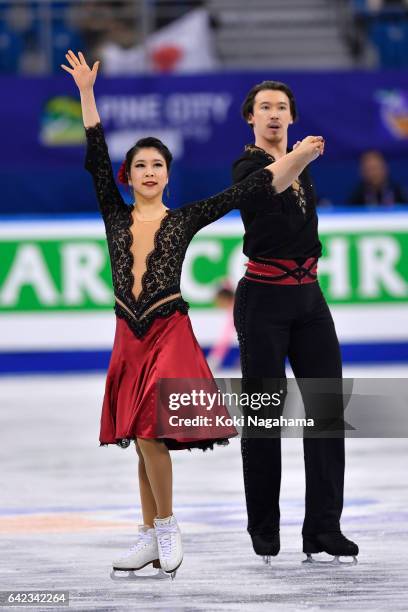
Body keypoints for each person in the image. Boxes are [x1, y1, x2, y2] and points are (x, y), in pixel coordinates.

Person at [61, 52, 324, 578]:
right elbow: (95, 151)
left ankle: (167, 527)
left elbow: (244, 191)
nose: (149, 171)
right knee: (138, 436)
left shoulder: (183, 221)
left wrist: (294, 159)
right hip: (127, 334)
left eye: (158, 165)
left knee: (152, 433)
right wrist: (87, 92)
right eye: (141, 166)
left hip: (167, 331)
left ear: (167, 175)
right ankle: (149, 535)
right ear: (128, 176)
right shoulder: (114, 214)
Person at [232, 80, 359, 564]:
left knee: (326, 412)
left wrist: (301, 158)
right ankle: (264, 528)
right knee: (265, 417)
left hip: (309, 300)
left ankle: (324, 527)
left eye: (281, 107)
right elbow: (269, 187)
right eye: (264, 107)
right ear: (250, 118)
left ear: (291, 116)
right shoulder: (247, 165)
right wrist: (301, 156)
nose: (273, 114)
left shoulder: (302, 167)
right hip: (262, 300)